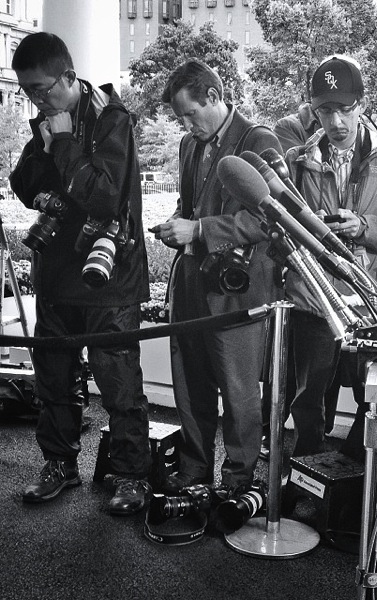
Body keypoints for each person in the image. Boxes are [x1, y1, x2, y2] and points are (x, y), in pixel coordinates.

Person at [10, 32, 152, 515]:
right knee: (53, 377)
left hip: (109, 278)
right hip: (57, 274)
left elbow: (104, 198)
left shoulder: (113, 119)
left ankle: (132, 475)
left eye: (42, 88)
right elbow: (22, 183)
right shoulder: (47, 120)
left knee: (118, 382)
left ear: (69, 77)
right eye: (25, 89)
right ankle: (59, 465)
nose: (35, 98)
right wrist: (49, 164)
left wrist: (65, 143)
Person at [150, 59, 283, 496]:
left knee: (240, 391)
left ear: (213, 96)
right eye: (180, 118)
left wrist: (201, 230)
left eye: (190, 113)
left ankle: (238, 481)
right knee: (189, 384)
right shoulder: (192, 145)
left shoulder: (259, 139)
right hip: (191, 281)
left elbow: (270, 221)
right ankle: (194, 470)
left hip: (236, 292)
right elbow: (190, 205)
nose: (187, 125)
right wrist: (177, 224)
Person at [285, 55, 377, 457]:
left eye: (345, 109)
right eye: (326, 110)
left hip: (370, 300)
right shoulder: (299, 161)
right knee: (308, 398)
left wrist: (363, 226)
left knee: (373, 395)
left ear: (362, 105)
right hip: (314, 299)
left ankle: (358, 477)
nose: (336, 122)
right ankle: (307, 474)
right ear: (314, 110)